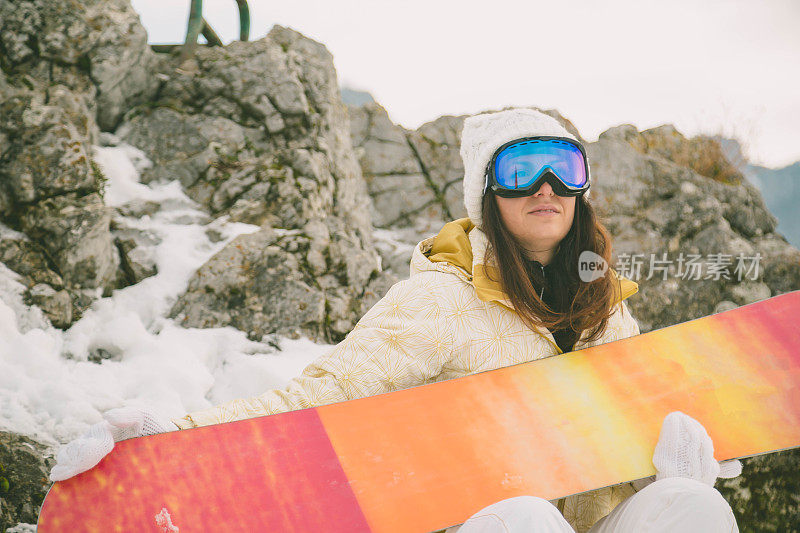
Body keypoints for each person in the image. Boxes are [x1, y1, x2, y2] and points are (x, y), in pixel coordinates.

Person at [51, 108, 741, 532]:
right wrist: (168, 440)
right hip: (480, 524)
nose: (545, 189)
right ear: (487, 194)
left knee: (692, 504)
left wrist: (666, 473)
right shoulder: (440, 300)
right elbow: (317, 394)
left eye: (562, 167)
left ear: (583, 188)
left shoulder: (608, 315)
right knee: (528, 516)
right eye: (521, 169)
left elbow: (618, 443)